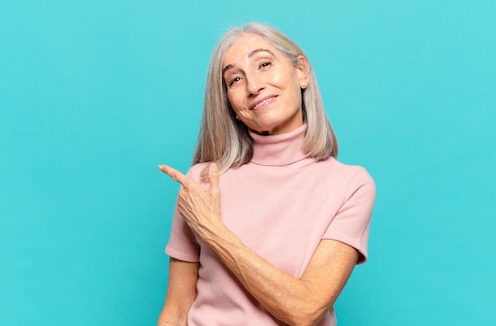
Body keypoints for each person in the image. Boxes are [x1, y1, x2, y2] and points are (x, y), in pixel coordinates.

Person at [157, 22, 376, 326]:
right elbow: (176, 312)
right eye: (235, 79)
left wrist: (212, 231)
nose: (253, 86)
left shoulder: (349, 186)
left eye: (264, 64)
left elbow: (305, 310)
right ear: (230, 103)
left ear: (301, 72)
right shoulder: (201, 182)